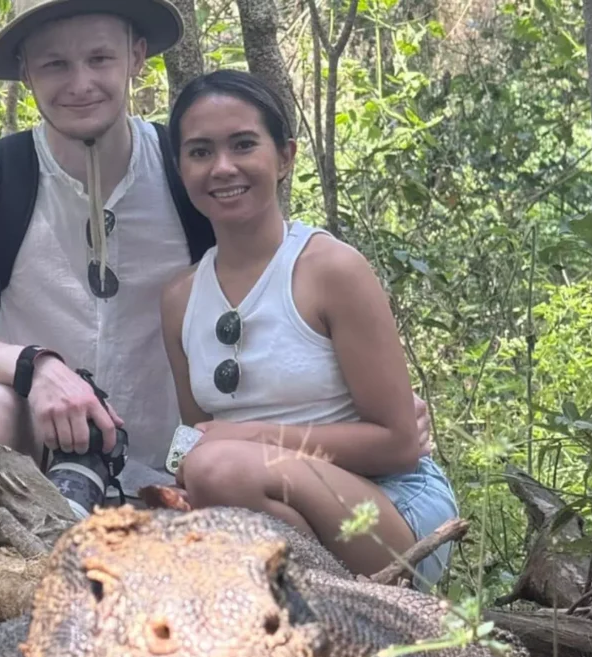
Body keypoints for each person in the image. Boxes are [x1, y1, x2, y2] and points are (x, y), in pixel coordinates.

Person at [0, 0, 432, 517]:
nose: (80, 83)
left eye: (100, 58)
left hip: (182, 480)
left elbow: (279, 296)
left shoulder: (193, 171)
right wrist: (35, 367)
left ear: (137, 56)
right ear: (25, 72)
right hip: (38, 471)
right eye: (55, 63)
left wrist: (373, 423)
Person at [160, 69, 458, 588]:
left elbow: (398, 444)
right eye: (201, 151)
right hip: (257, 498)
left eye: (244, 144)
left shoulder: (330, 270)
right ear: (180, 167)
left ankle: (329, 610)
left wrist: (247, 438)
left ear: (285, 156)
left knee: (220, 469)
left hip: (387, 504)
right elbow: (196, 436)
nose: (223, 167)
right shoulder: (179, 299)